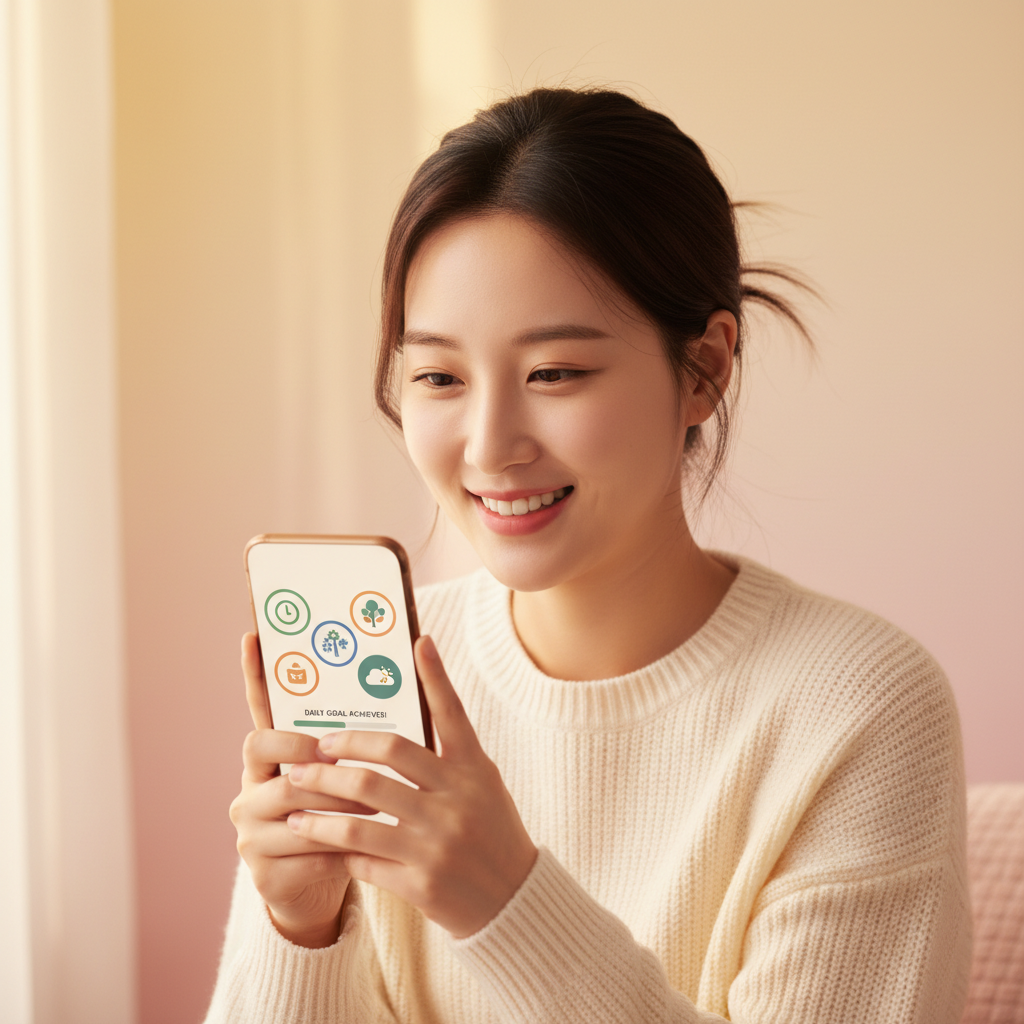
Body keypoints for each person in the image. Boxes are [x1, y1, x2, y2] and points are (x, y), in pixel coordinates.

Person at [206, 88, 971, 1023]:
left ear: (704, 370)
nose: (490, 446)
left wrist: (505, 903)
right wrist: (300, 931)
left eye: (555, 373)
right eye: (439, 376)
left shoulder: (858, 706)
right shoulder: (394, 670)